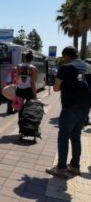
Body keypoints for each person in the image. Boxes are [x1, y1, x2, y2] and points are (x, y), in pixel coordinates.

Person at [46, 46, 91, 178]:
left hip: (70, 106)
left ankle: (61, 168)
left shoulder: (66, 67)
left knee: (64, 136)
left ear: (66, 55)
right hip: (85, 108)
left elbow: (55, 88)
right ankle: (75, 167)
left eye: (64, 57)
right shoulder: (88, 67)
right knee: (76, 137)